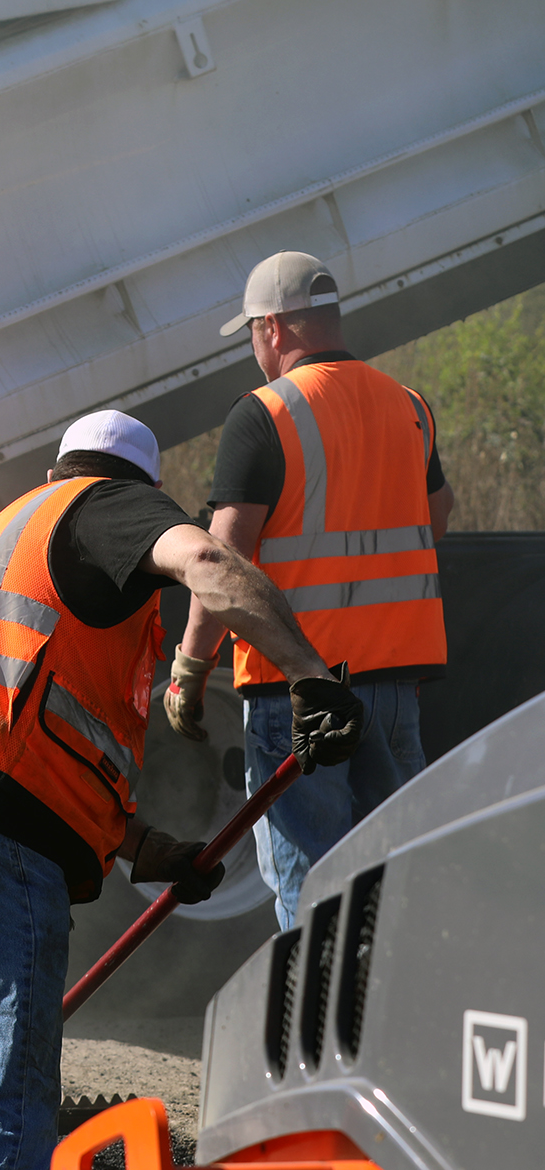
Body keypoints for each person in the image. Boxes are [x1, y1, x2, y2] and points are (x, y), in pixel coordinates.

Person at [0, 410, 363, 1170]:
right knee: (10, 1109)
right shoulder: (108, 505)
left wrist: (150, 849)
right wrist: (310, 675)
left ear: (57, 467)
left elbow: (22, 729)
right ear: (141, 486)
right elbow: (211, 562)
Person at [166, 251, 452, 931]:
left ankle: (319, 1038)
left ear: (271, 327)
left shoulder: (263, 414)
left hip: (300, 697)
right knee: (390, 874)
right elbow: (435, 517)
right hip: (392, 688)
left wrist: (190, 668)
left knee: (311, 885)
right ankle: (385, 1024)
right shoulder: (409, 406)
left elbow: (219, 560)